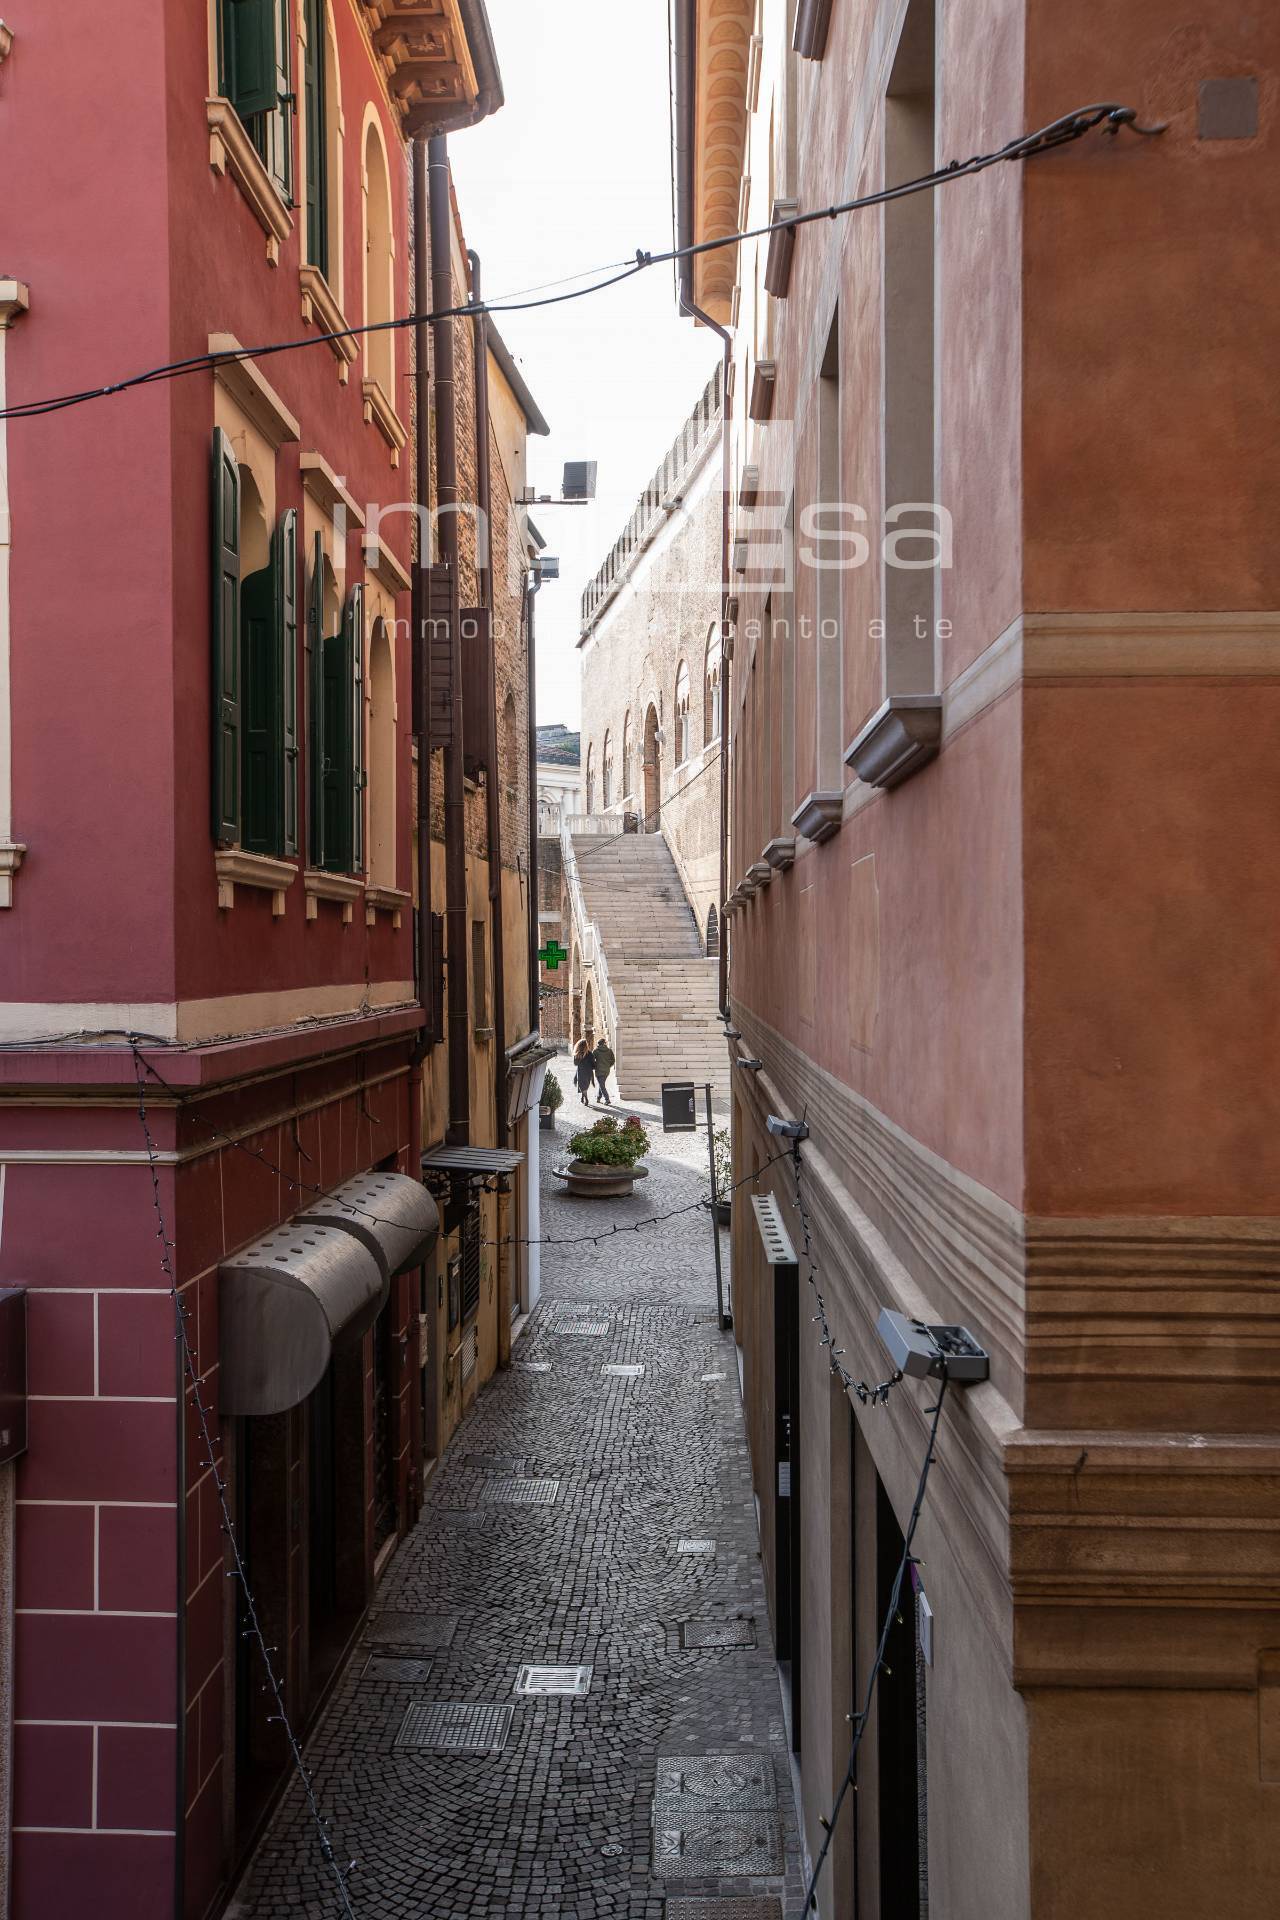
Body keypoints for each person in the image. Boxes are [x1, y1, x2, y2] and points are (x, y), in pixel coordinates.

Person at [573, 1037, 596, 1106]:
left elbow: (575, 1064)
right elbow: (593, 1064)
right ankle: (583, 1097)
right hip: (588, 1072)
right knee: (585, 1086)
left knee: (582, 1086)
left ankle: (586, 1099)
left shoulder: (577, 1054)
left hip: (581, 1072)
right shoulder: (590, 1054)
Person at [593, 1037, 615, 1105]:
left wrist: (594, 1067)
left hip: (599, 1071)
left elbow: (592, 1061)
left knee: (602, 1085)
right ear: (604, 1043)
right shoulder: (609, 1051)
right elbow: (613, 1060)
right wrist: (608, 1066)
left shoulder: (595, 1051)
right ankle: (598, 1098)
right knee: (601, 1084)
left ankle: (607, 1099)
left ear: (598, 1044)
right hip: (606, 1071)